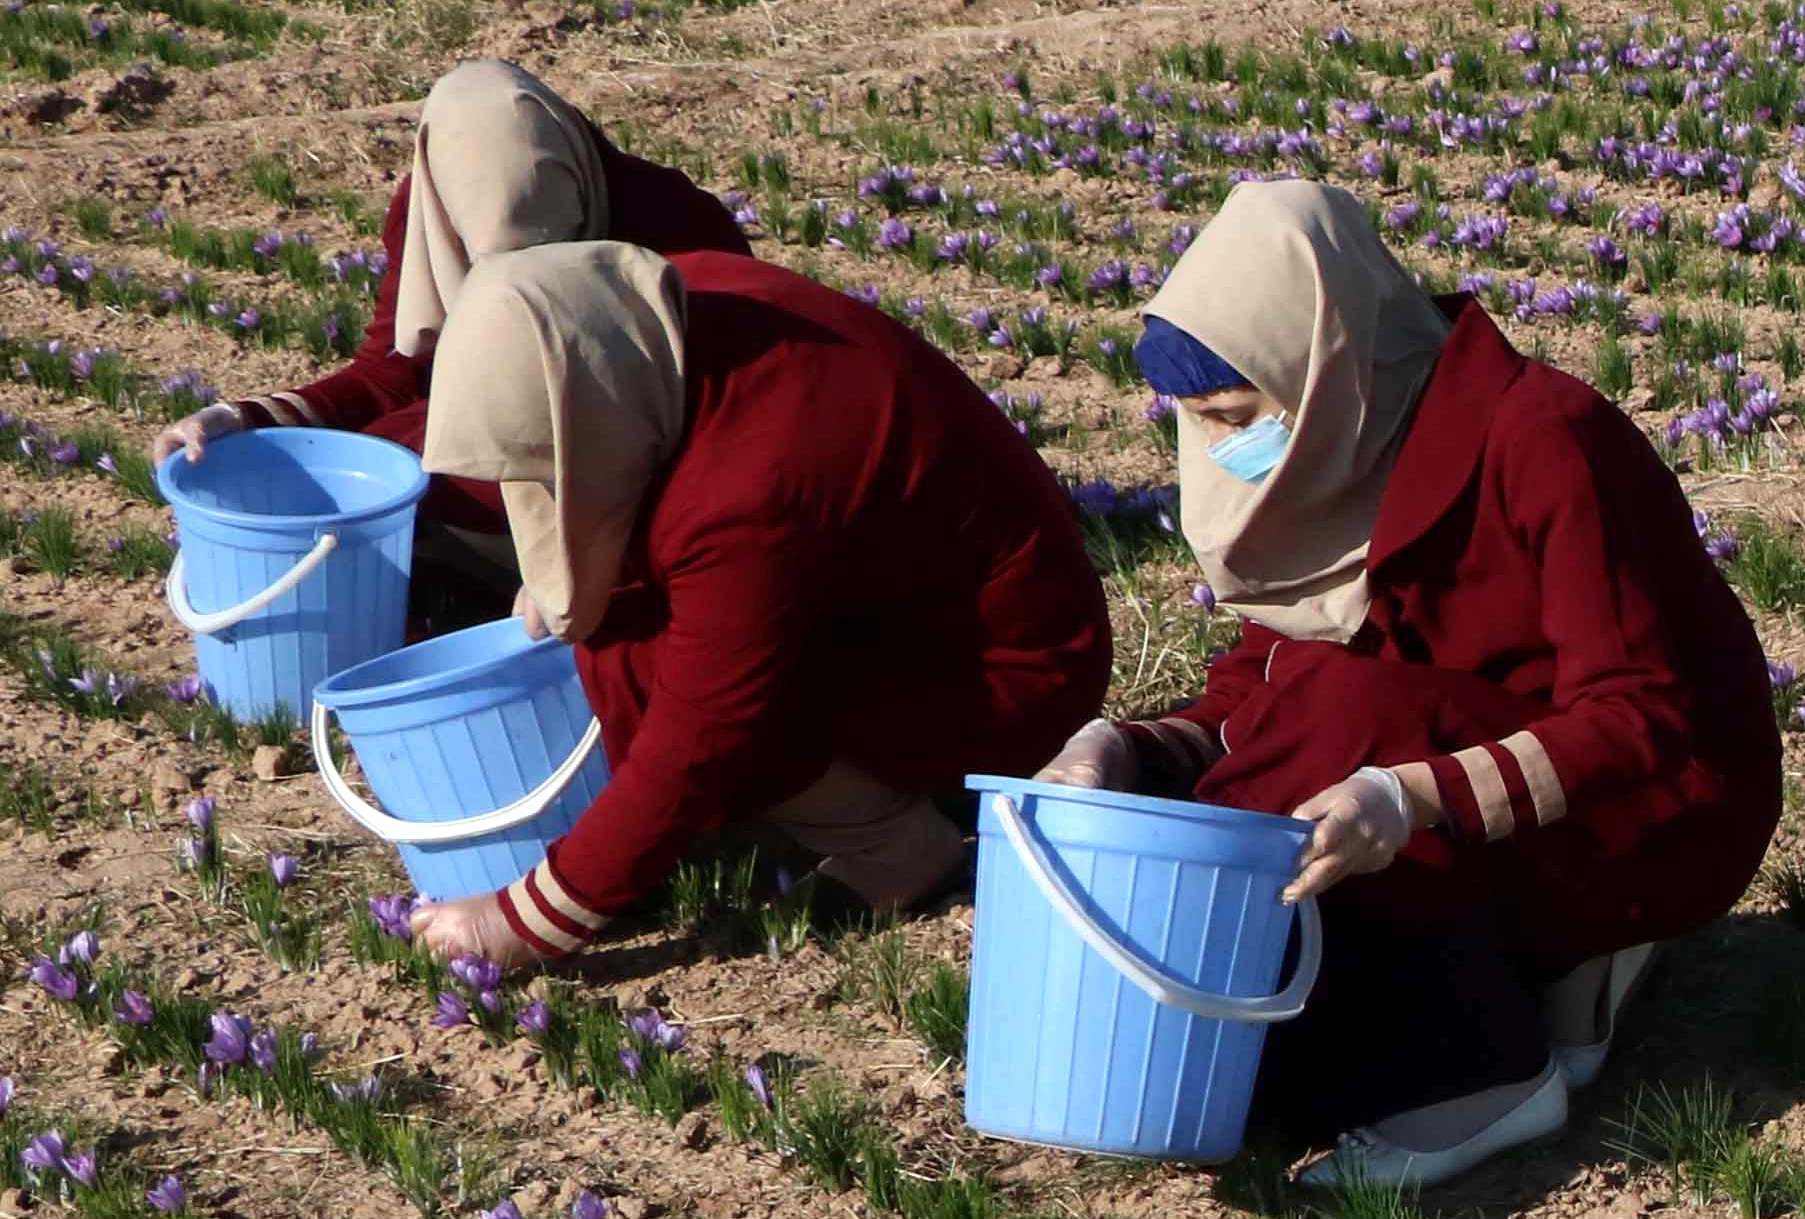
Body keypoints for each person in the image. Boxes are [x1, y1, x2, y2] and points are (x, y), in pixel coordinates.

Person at [1040, 181, 1785, 1193]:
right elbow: (1260, 687)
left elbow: (1642, 717)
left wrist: (1411, 796)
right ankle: (1520, 983)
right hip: (1455, 784)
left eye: (1235, 416)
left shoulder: (1540, 437)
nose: (1222, 450)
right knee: (1318, 726)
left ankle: (1481, 1078)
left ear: (1325, 364)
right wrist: (1132, 747)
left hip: (1658, 807)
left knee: (1349, 717)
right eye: (1201, 422)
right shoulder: (1334, 453)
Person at [397, 244, 1110, 975]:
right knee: (629, 625)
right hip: (884, 610)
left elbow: (704, 728)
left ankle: (891, 844)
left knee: (646, 651)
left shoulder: (752, 483)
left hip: (1007, 676)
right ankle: (764, 817)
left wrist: (526, 917)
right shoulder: (638, 315)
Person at [151, 60, 753, 609]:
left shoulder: (679, 229)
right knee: (380, 477)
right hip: (496, 454)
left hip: (642, 473)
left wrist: (581, 565)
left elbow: (725, 427)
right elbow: (392, 371)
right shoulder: (442, 197)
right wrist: (245, 420)